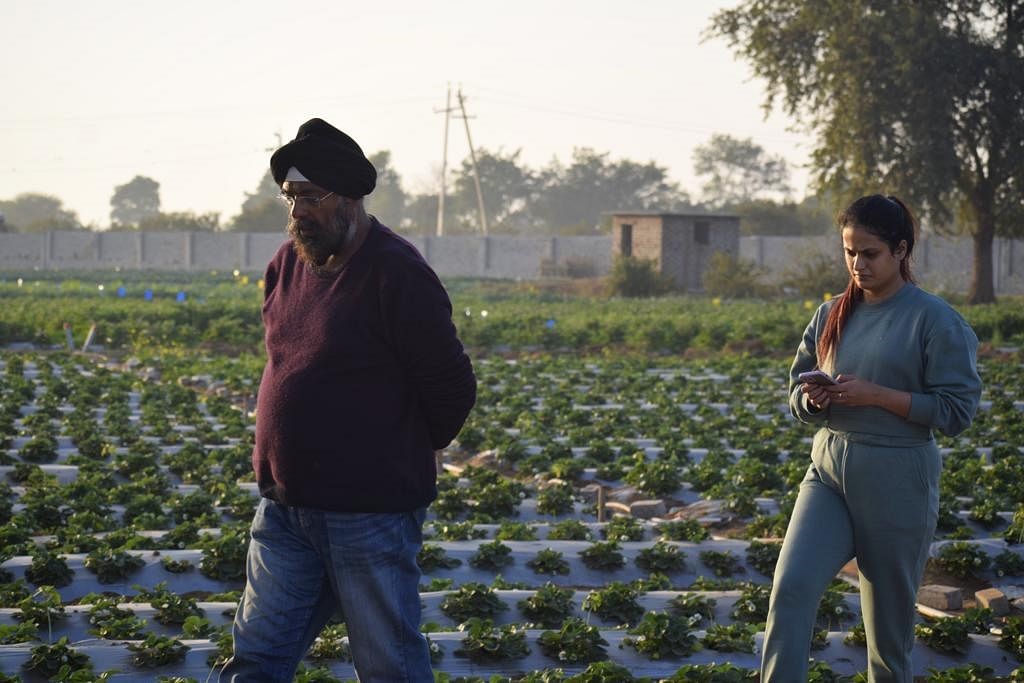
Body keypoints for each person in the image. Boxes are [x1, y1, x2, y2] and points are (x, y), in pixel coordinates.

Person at [221, 118, 477, 682]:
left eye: (311, 198)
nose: (297, 213)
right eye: (290, 198)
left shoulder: (397, 274)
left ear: (351, 199)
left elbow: (452, 387)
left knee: (388, 664)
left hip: (368, 515)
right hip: (286, 510)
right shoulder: (285, 266)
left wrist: (395, 451)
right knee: (256, 658)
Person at [760, 195, 982, 682]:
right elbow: (797, 392)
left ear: (901, 251)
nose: (858, 264)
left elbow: (956, 411)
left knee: (887, 635)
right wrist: (814, 399)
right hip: (829, 473)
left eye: (870, 253)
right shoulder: (830, 314)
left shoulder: (934, 320)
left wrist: (877, 396)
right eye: (850, 252)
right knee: (791, 588)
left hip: (898, 477)